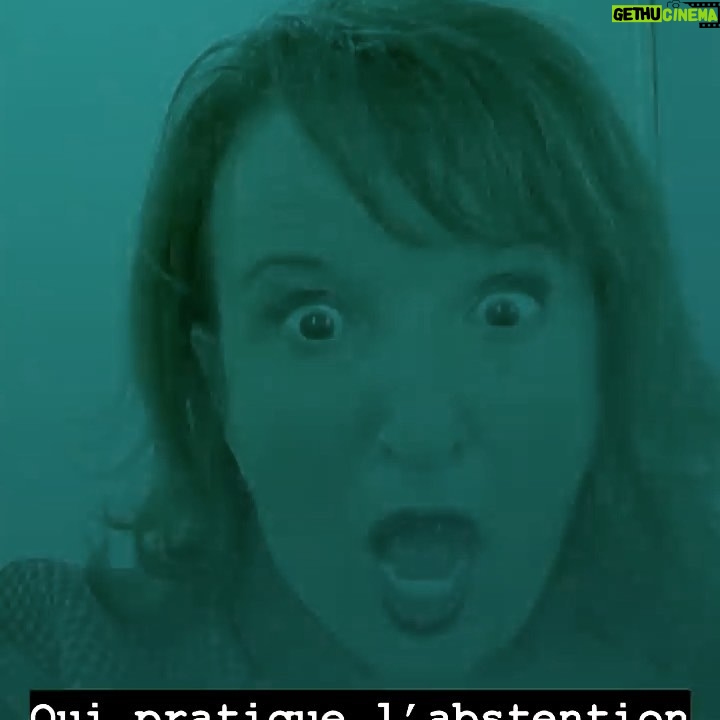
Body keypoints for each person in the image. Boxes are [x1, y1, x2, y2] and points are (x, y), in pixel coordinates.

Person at [2, 0, 720, 711]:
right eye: (317, 324)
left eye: (502, 311)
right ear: (217, 386)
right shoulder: (61, 654)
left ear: (607, 354)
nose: (422, 430)